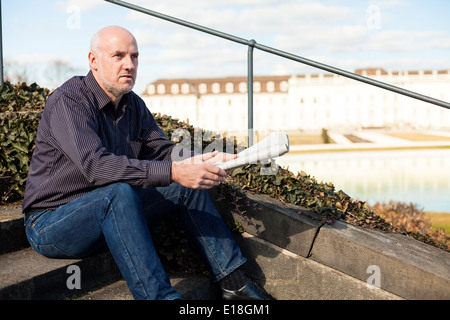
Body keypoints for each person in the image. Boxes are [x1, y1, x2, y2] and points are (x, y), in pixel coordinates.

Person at [22, 26, 266, 300]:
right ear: (93, 61)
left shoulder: (133, 104)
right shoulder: (69, 101)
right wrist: (175, 171)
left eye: (135, 56)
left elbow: (163, 152)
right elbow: (95, 166)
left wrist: (201, 159)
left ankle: (236, 284)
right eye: (118, 56)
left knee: (186, 184)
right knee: (119, 192)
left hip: (111, 210)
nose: (129, 65)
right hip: (52, 222)